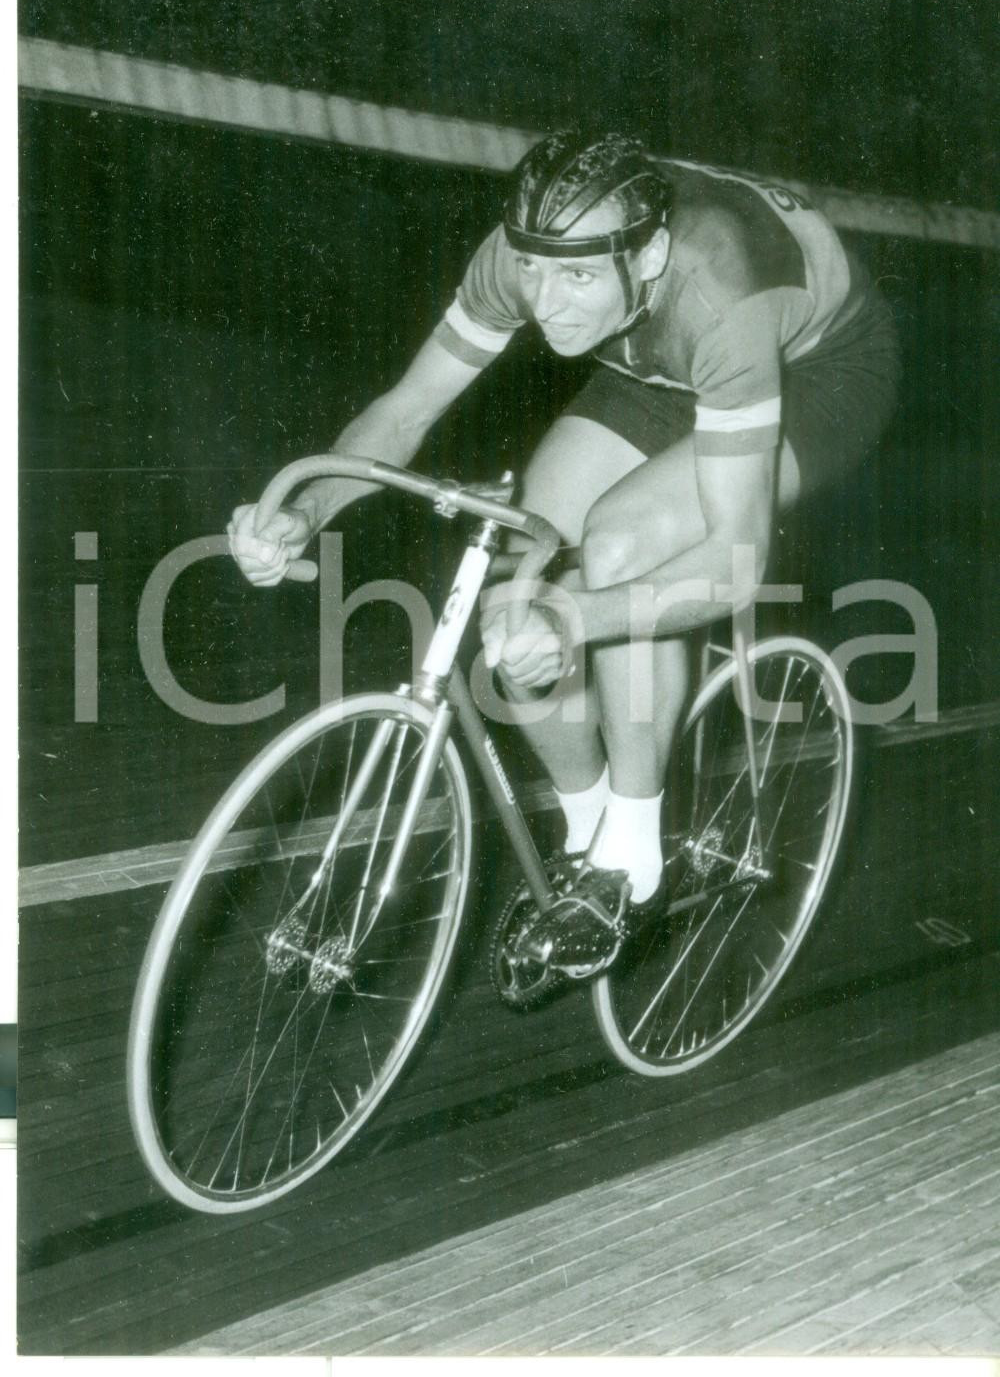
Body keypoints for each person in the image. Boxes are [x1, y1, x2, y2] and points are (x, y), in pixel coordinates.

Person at [229, 128, 899, 934]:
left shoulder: (720, 288)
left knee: (616, 547)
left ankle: (634, 854)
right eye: (534, 272)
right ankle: (588, 838)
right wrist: (305, 513)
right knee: (519, 578)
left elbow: (734, 559)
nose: (546, 306)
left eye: (577, 276)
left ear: (646, 256)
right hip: (654, 357)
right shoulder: (530, 250)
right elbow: (406, 411)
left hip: (814, 369)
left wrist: (576, 619)